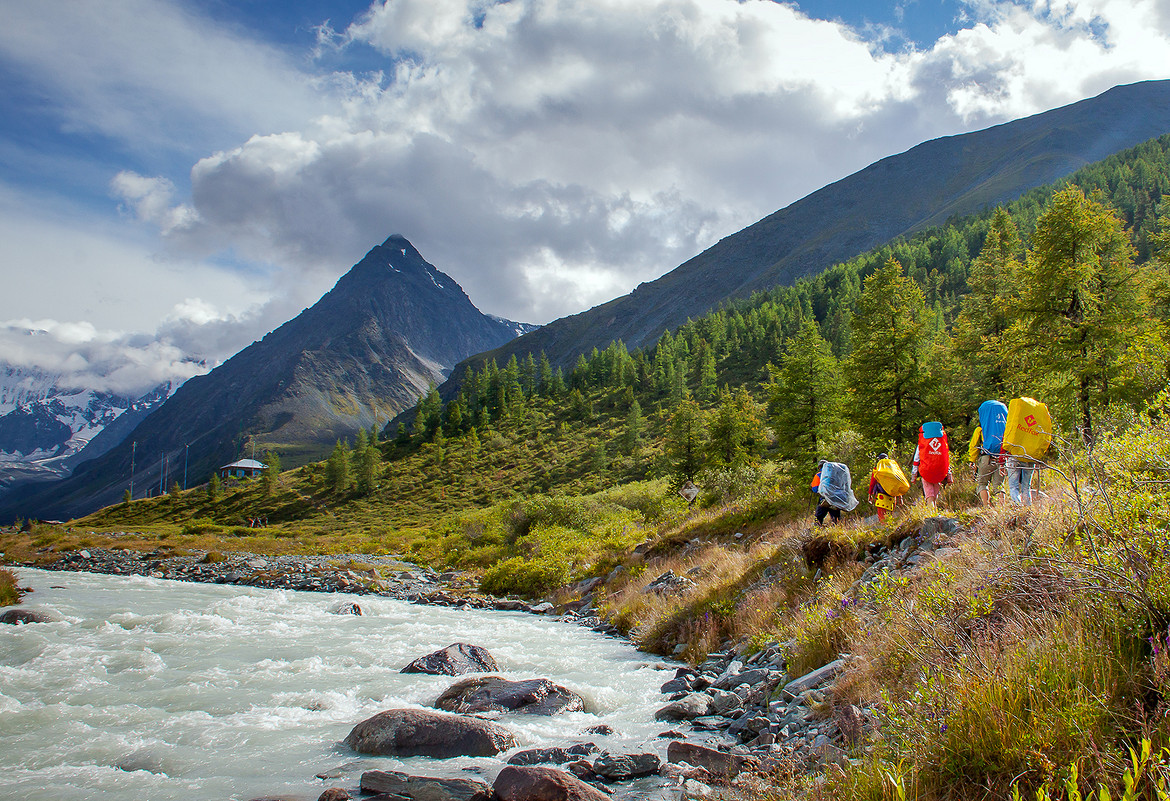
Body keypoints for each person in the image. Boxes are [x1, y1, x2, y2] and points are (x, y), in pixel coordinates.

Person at [911, 422, 952, 502]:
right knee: (935, 494)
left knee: (929, 493)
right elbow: (946, 459)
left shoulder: (922, 443)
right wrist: (949, 475)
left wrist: (914, 476)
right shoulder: (942, 443)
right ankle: (934, 509)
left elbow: (916, 460)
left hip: (926, 471)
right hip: (940, 472)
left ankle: (931, 511)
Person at [868, 453, 897, 523]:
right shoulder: (893, 469)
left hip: (881, 495)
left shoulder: (877, 470)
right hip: (892, 495)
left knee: (882, 515)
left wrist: (870, 494)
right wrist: (900, 497)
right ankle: (890, 526)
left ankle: (884, 527)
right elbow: (897, 483)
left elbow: (872, 483)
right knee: (890, 514)